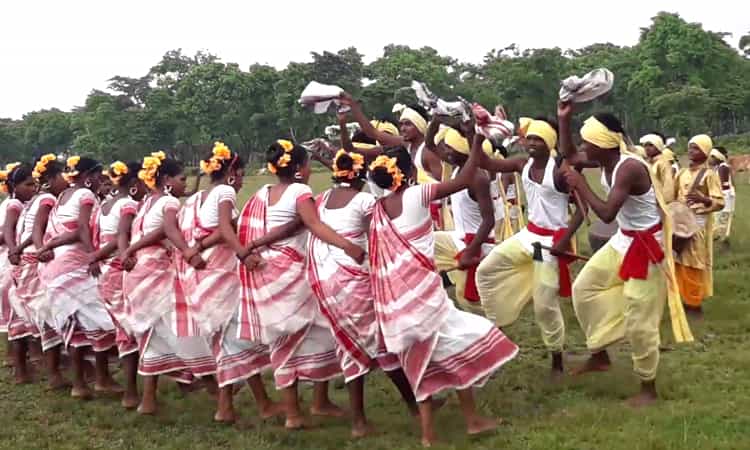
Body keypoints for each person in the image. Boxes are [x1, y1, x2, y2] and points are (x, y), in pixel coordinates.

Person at [368, 126, 518, 447]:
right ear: (408, 174)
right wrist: (477, 141)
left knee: (428, 357)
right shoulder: (415, 195)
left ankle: (436, 431)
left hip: (396, 302)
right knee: (460, 342)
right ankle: (456, 425)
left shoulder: (378, 209)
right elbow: (464, 180)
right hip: (425, 297)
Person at [556, 103, 692, 407]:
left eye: (586, 142)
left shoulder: (628, 167)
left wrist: (580, 184)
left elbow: (605, 214)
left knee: (641, 321)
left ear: (602, 145)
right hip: (623, 241)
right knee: (584, 290)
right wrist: (564, 119)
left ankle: (648, 388)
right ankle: (601, 353)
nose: (582, 148)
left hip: (646, 247)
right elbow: (569, 155)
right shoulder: (605, 159)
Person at [237, 140, 364, 429]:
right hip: (290, 274)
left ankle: (308, 407)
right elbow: (314, 225)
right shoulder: (301, 190)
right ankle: (305, 408)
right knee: (321, 331)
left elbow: (285, 225)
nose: (309, 170)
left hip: (267, 273)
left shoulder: (262, 192)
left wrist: (256, 245)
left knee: (290, 339)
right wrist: (348, 246)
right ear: (298, 168)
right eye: (306, 164)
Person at [179, 142, 296, 424]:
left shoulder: (197, 197)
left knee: (230, 343)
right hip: (220, 275)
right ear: (231, 172)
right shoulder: (225, 191)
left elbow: (209, 233)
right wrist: (244, 253)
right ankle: (237, 406)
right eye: (241, 173)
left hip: (200, 278)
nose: (242, 180)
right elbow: (224, 228)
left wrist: (197, 247)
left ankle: (237, 405)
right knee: (235, 342)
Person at [307, 148, 418, 437]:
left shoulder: (323, 198)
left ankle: (361, 421)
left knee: (349, 346)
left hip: (328, 280)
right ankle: (415, 407)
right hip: (354, 277)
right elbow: (381, 235)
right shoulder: (366, 200)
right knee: (381, 345)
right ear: (359, 175)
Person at [475, 117, 583, 375]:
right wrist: (477, 134)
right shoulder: (522, 164)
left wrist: (564, 241)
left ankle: (557, 357)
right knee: (485, 272)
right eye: (529, 138)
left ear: (550, 143)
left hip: (548, 244)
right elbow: (485, 162)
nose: (532, 144)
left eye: (538, 139)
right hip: (526, 236)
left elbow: (582, 210)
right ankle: (498, 325)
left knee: (545, 306)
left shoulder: (559, 171)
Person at [121, 153, 216, 415]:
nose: (184, 184)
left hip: (138, 275)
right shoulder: (168, 202)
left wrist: (131, 249)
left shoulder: (146, 202)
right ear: (166, 180)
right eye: (181, 179)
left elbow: (154, 233)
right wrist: (188, 252)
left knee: (155, 335)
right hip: (156, 274)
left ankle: (148, 401)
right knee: (184, 330)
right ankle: (214, 388)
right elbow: (169, 231)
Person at [37, 156, 121, 399]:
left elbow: (63, 231)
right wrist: (93, 256)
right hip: (74, 265)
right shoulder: (85, 196)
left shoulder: (63, 196)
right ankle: (101, 378)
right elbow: (82, 229)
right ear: (88, 176)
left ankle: (80, 384)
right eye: (97, 175)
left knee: (77, 327)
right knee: (104, 321)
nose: (99, 180)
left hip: (57, 268)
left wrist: (50, 244)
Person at [88, 161, 148, 408]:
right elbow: (119, 237)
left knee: (119, 327)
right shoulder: (127, 205)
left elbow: (98, 236)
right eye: (144, 182)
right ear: (134, 184)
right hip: (117, 269)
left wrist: (96, 256)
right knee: (129, 330)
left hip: (104, 271)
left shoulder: (105, 204)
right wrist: (110, 256)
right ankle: (131, 393)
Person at [339, 94, 447, 229]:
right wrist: (346, 118)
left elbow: (444, 190)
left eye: (408, 124)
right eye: (401, 124)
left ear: (420, 126)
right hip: (408, 214)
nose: (402, 128)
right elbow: (357, 144)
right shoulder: (403, 146)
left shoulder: (428, 153)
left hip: (429, 216)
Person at [425, 121, 497, 315]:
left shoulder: (478, 178)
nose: (446, 151)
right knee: (421, 242)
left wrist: (471, 252)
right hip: (457, 238)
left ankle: (490, 331)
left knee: (468, 301)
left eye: (451, 148)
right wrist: (436, 117)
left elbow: (489, 220)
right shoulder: (458, 167)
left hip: (477, 244)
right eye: (447, 147)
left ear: (464, 151)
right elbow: (430, 144)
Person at [13, 155, 69, 389]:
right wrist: (36, 248)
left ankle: (22, 370)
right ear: (50, 179)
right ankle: (54, 373)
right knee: (49, 316)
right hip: (35, 260)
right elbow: (37, 230)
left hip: (22, 263)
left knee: (27, 318)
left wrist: (18, 249)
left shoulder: (30, 203)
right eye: (63, 176)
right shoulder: (46, 199)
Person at [673, 135, 724, 314]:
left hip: (697, 223)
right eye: (690, 147)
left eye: (695, 148)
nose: (691, 151)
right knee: (678, 259)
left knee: (693, 261)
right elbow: (673, 196)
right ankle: (682, 298)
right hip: (680, 223)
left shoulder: (709, 175)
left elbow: (720, 202)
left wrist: (703, 199)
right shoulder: (681, 173)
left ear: (705, 152)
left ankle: (694, 303)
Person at [1, 163, 38, 383]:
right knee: (18, 314)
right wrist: (16, 249)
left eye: (34, 184)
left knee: (16, 315)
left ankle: (18, 361)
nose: (33, 188)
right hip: (10, 262)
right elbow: (7, 230)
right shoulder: (14, 204)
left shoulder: (11, 203)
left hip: (9, 260)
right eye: (28, 184)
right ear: (15, 185)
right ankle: (20, 368)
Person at [639, 133, 675, 203]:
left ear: (658, 146)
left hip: (660, 201)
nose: (647, 148)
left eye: (650, 145)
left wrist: (666, 202)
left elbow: (668, 184)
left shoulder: (663, 163)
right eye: (645, 145)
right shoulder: (648, 162)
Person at [709, 147, 734, 242]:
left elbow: (724, 185)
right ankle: (720, 237)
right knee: (718, 218)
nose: (710, 159)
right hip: (723, 196)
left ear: (717, 157)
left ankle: (722, 238)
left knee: (722, 217)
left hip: (725, 196)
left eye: (712, 157)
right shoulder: (718, 167)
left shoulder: (723, 167)